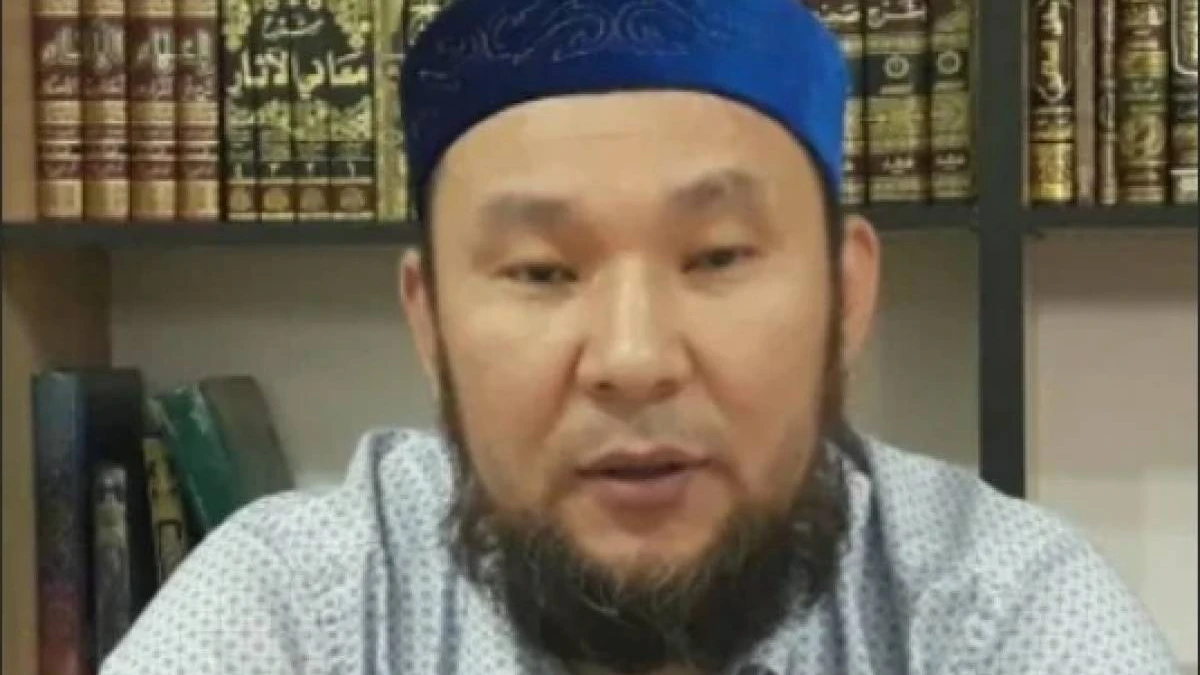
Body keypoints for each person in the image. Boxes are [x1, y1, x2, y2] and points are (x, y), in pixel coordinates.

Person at [100, 0, 1181, 673]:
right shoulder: (304, 608)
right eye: (542, 272)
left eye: (716, 257)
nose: (632, 359)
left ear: (847, 296)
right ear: (428, 321)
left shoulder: (992, 607)